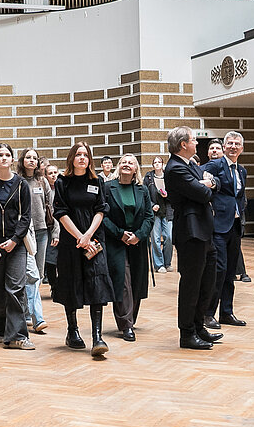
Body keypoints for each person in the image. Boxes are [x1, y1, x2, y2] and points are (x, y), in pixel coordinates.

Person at [52, 141, 115, 358]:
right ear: (72, 158)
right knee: (71, 282)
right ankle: (72, 331)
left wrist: (88, 235)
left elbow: (101, 210)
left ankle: (97, 337)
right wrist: (79, 236)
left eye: (85, 155)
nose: (82, 158)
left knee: (97, 284)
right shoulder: (62, 182)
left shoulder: (97, 181)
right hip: (71, 242)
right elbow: (60, 212)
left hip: (94, 241)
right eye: (78, 154)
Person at [163, 127, 222, 351]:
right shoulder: (175, 168)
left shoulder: (191, 165)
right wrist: (206, 184)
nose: (197, 143)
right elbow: (204, 193)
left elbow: (215, 183)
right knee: (191, 285)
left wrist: (208, 182)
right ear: (183, 144)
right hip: (190, 232)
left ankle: (198, 327)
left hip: (204, 231)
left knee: (208, 282)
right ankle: (187, 334)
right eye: (194, 140)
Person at [0, 143, 35, 350]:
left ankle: (18, 335)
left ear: (12, 159)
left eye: (7, 155)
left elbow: (26, 216)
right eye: (0, 155)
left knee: (16, 288)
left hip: (15, 245)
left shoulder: (21, 184)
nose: (3, 158)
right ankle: (0, 331)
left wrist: (15, 240)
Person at [102, 154, 153, 342]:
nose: (126, 164)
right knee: (122, 280)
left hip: (137, 242)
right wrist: (120, 233)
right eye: (123, 162)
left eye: (130, 163)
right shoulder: (108, 188)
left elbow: (149, 216)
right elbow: (102, 215)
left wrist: (138, 235)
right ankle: (126, 324)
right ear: (118, 166)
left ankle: (130, 318)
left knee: (136, 282)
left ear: (135, 169)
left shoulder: (142, 189)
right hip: (116, 241)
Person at [201, 131, 248, 330]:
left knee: (230, 272)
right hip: (219, 225)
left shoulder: (242, 170)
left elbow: (240, 195)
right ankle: (207, 313)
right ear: (224, 146)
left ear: (242, 148)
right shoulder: (216, 165)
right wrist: (210, 184)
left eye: (237, 144)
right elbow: (198, 173)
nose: (233, 147)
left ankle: (226, 312)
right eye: (230, 143)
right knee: (218, 270)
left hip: (235, 226)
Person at [17, 147, 56, 333]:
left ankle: (28, 312)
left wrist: (55, 232)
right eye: (28, 157)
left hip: (42, 231)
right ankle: (35, 316)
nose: (31, 160)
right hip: (24, 234)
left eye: (34, 158)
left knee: (38, 274)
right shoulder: (17, 180)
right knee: (29, 274)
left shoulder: (43, 181)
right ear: (22, 160)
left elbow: (51, 207)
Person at [143, 156, 173, 273]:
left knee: (169, 237)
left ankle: (167, 262)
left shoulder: (168, 177)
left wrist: (167, 196)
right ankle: (159, 264)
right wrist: (151, 205)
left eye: (159, 162)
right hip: (155, 213)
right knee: (155, 239)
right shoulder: (148, 178)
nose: (157, 164)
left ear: (162, 164)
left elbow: (175, 194)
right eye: (155, 162)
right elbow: (144, 194)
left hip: (167, 212)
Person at [42, 162, 60, 294]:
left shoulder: (63, 188)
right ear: (46, 176)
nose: (53, 175)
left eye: (55, 172)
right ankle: (54, 287)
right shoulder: (44, 190)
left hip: (64, 227)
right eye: (50, 173)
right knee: (50, 259)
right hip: (49, 227)